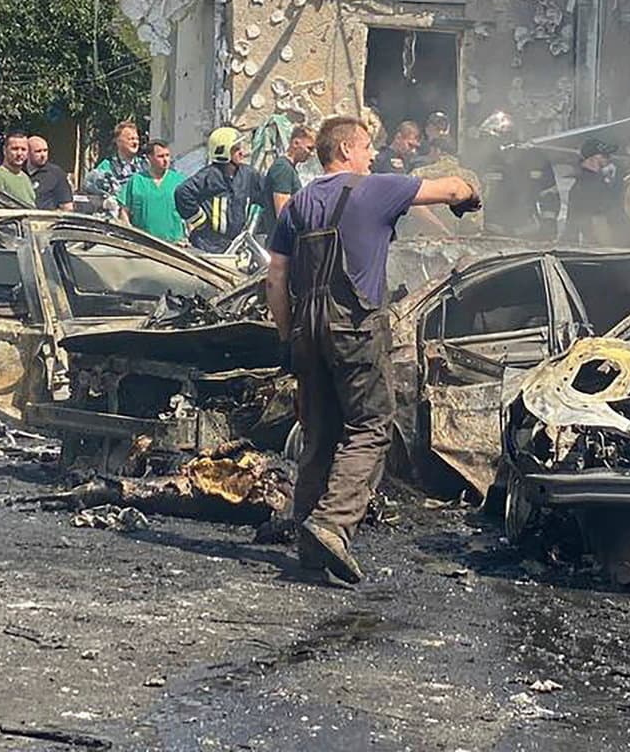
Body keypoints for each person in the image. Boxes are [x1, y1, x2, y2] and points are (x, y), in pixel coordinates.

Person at [266, 115, 480, 584]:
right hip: (356, 327)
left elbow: (277, 277)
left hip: (307, 329)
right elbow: (447, 191)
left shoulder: (297, 205)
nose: (371, 156)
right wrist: (470, 188)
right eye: (365, 148)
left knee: (319, 432)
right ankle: (332, 522)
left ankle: (309, 543)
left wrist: (287, 338)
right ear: (344, 150)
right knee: (369, 427)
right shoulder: (376, 188)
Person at [174, 127, 267, 254]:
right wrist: (199, 220)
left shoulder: (248, 175)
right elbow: (182, 193)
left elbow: (266, 195)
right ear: (223, 152)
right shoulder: (209, 176)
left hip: (235, 244)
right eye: (236, 149)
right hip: (207, 244)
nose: (242, 152)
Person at [117, 140, 186, 242]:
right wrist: (128, 233)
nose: (166, 160)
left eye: (167, 155)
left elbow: (190, 211)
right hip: (143, 244)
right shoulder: (136, 181)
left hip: (174, 244)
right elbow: (124, 211)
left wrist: (188, 237)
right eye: (160, 156)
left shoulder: (179, 181)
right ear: (150, 158)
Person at [567, 138, 624, 246]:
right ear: (591, 159)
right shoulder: (591, 186)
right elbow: (598, 220)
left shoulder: (581, 184)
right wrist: (610, 249)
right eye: (605, 156)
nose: (609, 159)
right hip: (602, 247)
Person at [261, 125, 313, 228]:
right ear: (296, 143)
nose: (311, 154)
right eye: (309, 148)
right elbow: (282, 214)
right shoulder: (283, 168)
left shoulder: (289, 168)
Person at [91, 120, 145, 197]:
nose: (135, 142)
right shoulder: (106, 167)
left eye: (137, 139)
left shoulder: (145, 165)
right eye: (131, 139)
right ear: (118, 141)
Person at [0, 132, 37, 206]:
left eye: (23, 149)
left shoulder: (25, 178)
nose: (19, 153)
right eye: (15, 149)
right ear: (4, 150)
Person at [26, 135, 73, 210]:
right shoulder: (19, 172)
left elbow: (67, 207)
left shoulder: (56, 174)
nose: (43, 155)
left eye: (45, 150)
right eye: (38, 151)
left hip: (47, 220)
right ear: (27, 153)